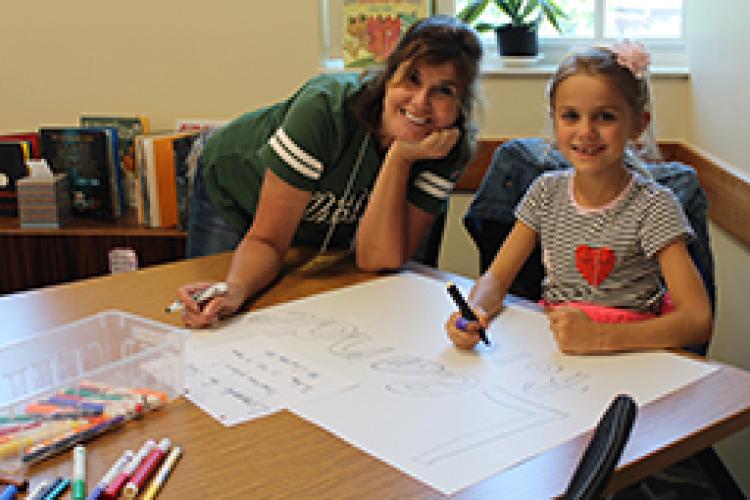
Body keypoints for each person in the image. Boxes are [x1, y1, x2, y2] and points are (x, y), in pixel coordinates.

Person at [177, 15, 482, 328]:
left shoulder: (446, 146)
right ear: (389, 75)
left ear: (461, 104)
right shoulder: (325, 109)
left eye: (444, 91)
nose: (421, 103)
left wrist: (399, 159)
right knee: (217, 315)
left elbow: (377, 259)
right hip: (238, 191)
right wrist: (236, 288)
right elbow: (268, 240)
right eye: (412, 79)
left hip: (320, 223)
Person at [447, 41, 712, 354]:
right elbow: (496, 278)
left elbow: (697, 319)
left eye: (605, 117)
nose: (586, 132)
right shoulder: (545, 192)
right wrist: (474, 311)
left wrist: (601, 337)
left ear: (637, 125)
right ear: (554, 120)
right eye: (571, 116)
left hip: (633, 354)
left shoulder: (655, 207)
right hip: (560, 349)